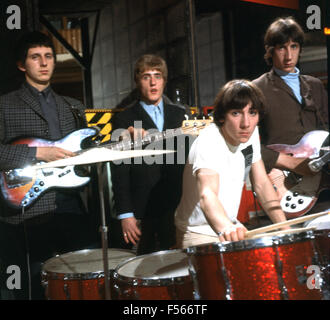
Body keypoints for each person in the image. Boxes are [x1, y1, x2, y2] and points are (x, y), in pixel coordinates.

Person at [0, 31, 96, 300]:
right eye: (35, 57)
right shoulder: (4, 106)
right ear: (22, 65)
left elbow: (83, 155)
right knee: (34, 289)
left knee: (79, 286)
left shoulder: (73, 107)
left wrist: (125, 138)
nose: (44, 63)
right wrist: (39, 153)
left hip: (71, 207)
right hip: (27, 212)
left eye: (48, 56)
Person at [175, 79, 289, 249]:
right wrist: (226, 227)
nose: (246, 123)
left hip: (230, 225)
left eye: (252, 112)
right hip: (199, 231)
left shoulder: (249, 135)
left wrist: (285, 229)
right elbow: (207, 194)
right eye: (236, 113)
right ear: (221, 116)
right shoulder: (209, 140)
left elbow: (262, 184)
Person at [110, 54, 188, 255]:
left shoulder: (180, 115)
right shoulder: (124, 119)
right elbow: (119, 171)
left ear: (164, 80)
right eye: (146, 76)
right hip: (141, 210)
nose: (153, 82)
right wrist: (125, 214)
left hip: (176, 206)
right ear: (137, 81)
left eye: (158, 76)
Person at [252, 17, 329, 219]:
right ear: (269, 51)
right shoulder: (257, 89)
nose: (288, 55)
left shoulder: (315, 86)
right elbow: (246, 144)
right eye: (281, 48)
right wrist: (290, 164)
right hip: (285, 184)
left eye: (294, 47)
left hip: (322, 183)